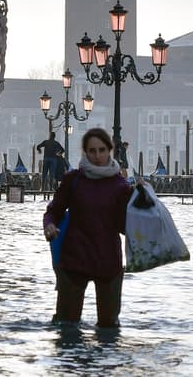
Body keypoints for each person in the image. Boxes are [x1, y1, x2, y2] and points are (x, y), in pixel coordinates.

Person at [42, 127, 132, 328]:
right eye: (92, 151)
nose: (97, 155)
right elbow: (53, 211)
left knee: (109, 327)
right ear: (85, 152)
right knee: (66, 325)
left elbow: (125, 227)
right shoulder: (73, 180)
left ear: (109, 150)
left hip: (108, 262)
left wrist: (141, 200)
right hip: (74, 259)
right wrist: (49, 226)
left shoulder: (121, 186)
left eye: (101, 150)